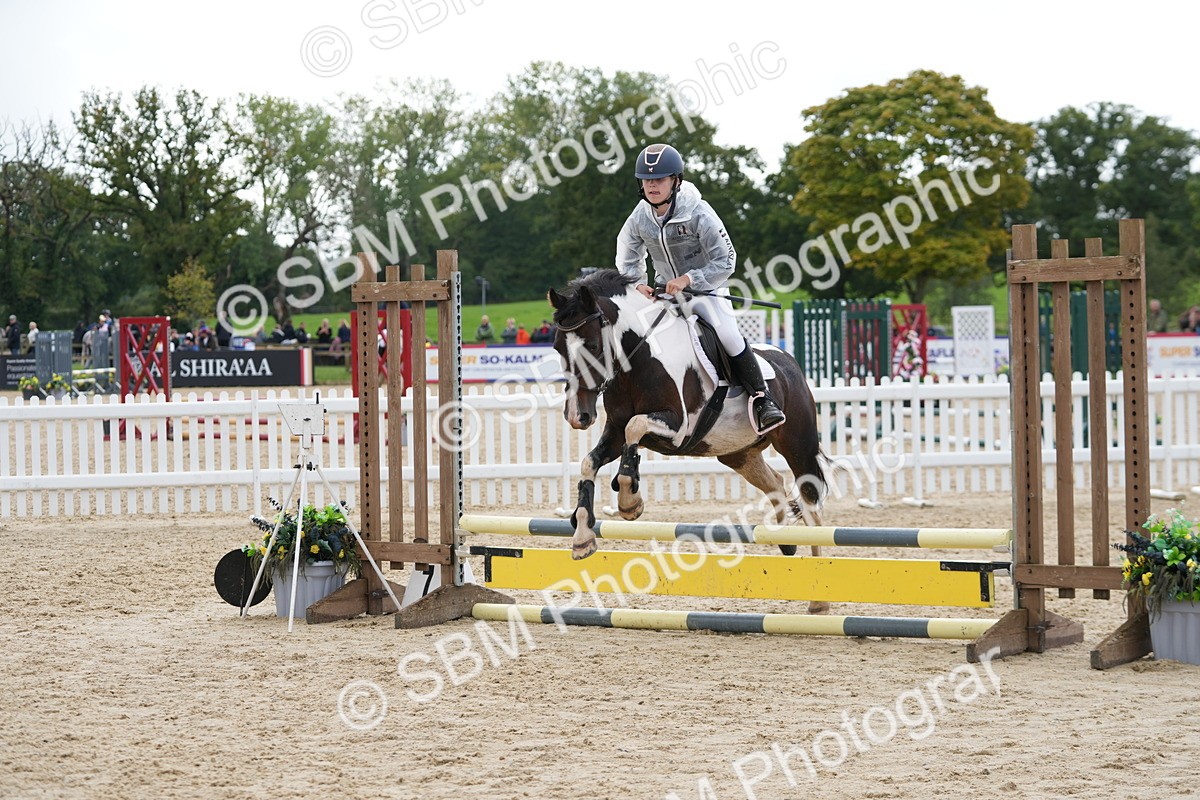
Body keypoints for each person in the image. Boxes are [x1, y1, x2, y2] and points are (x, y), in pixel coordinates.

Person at [615, 142, 785, 432]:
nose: (652, 186)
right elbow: (628, 255)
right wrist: (637, 286)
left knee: (728, 335)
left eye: (659, 179)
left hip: (705, 292)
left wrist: (689, 279)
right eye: (646, 180)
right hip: (664, 294)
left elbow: (726, 259)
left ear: (676, 181)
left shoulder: (699, 212)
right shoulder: (640, 217)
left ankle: (761, 398)